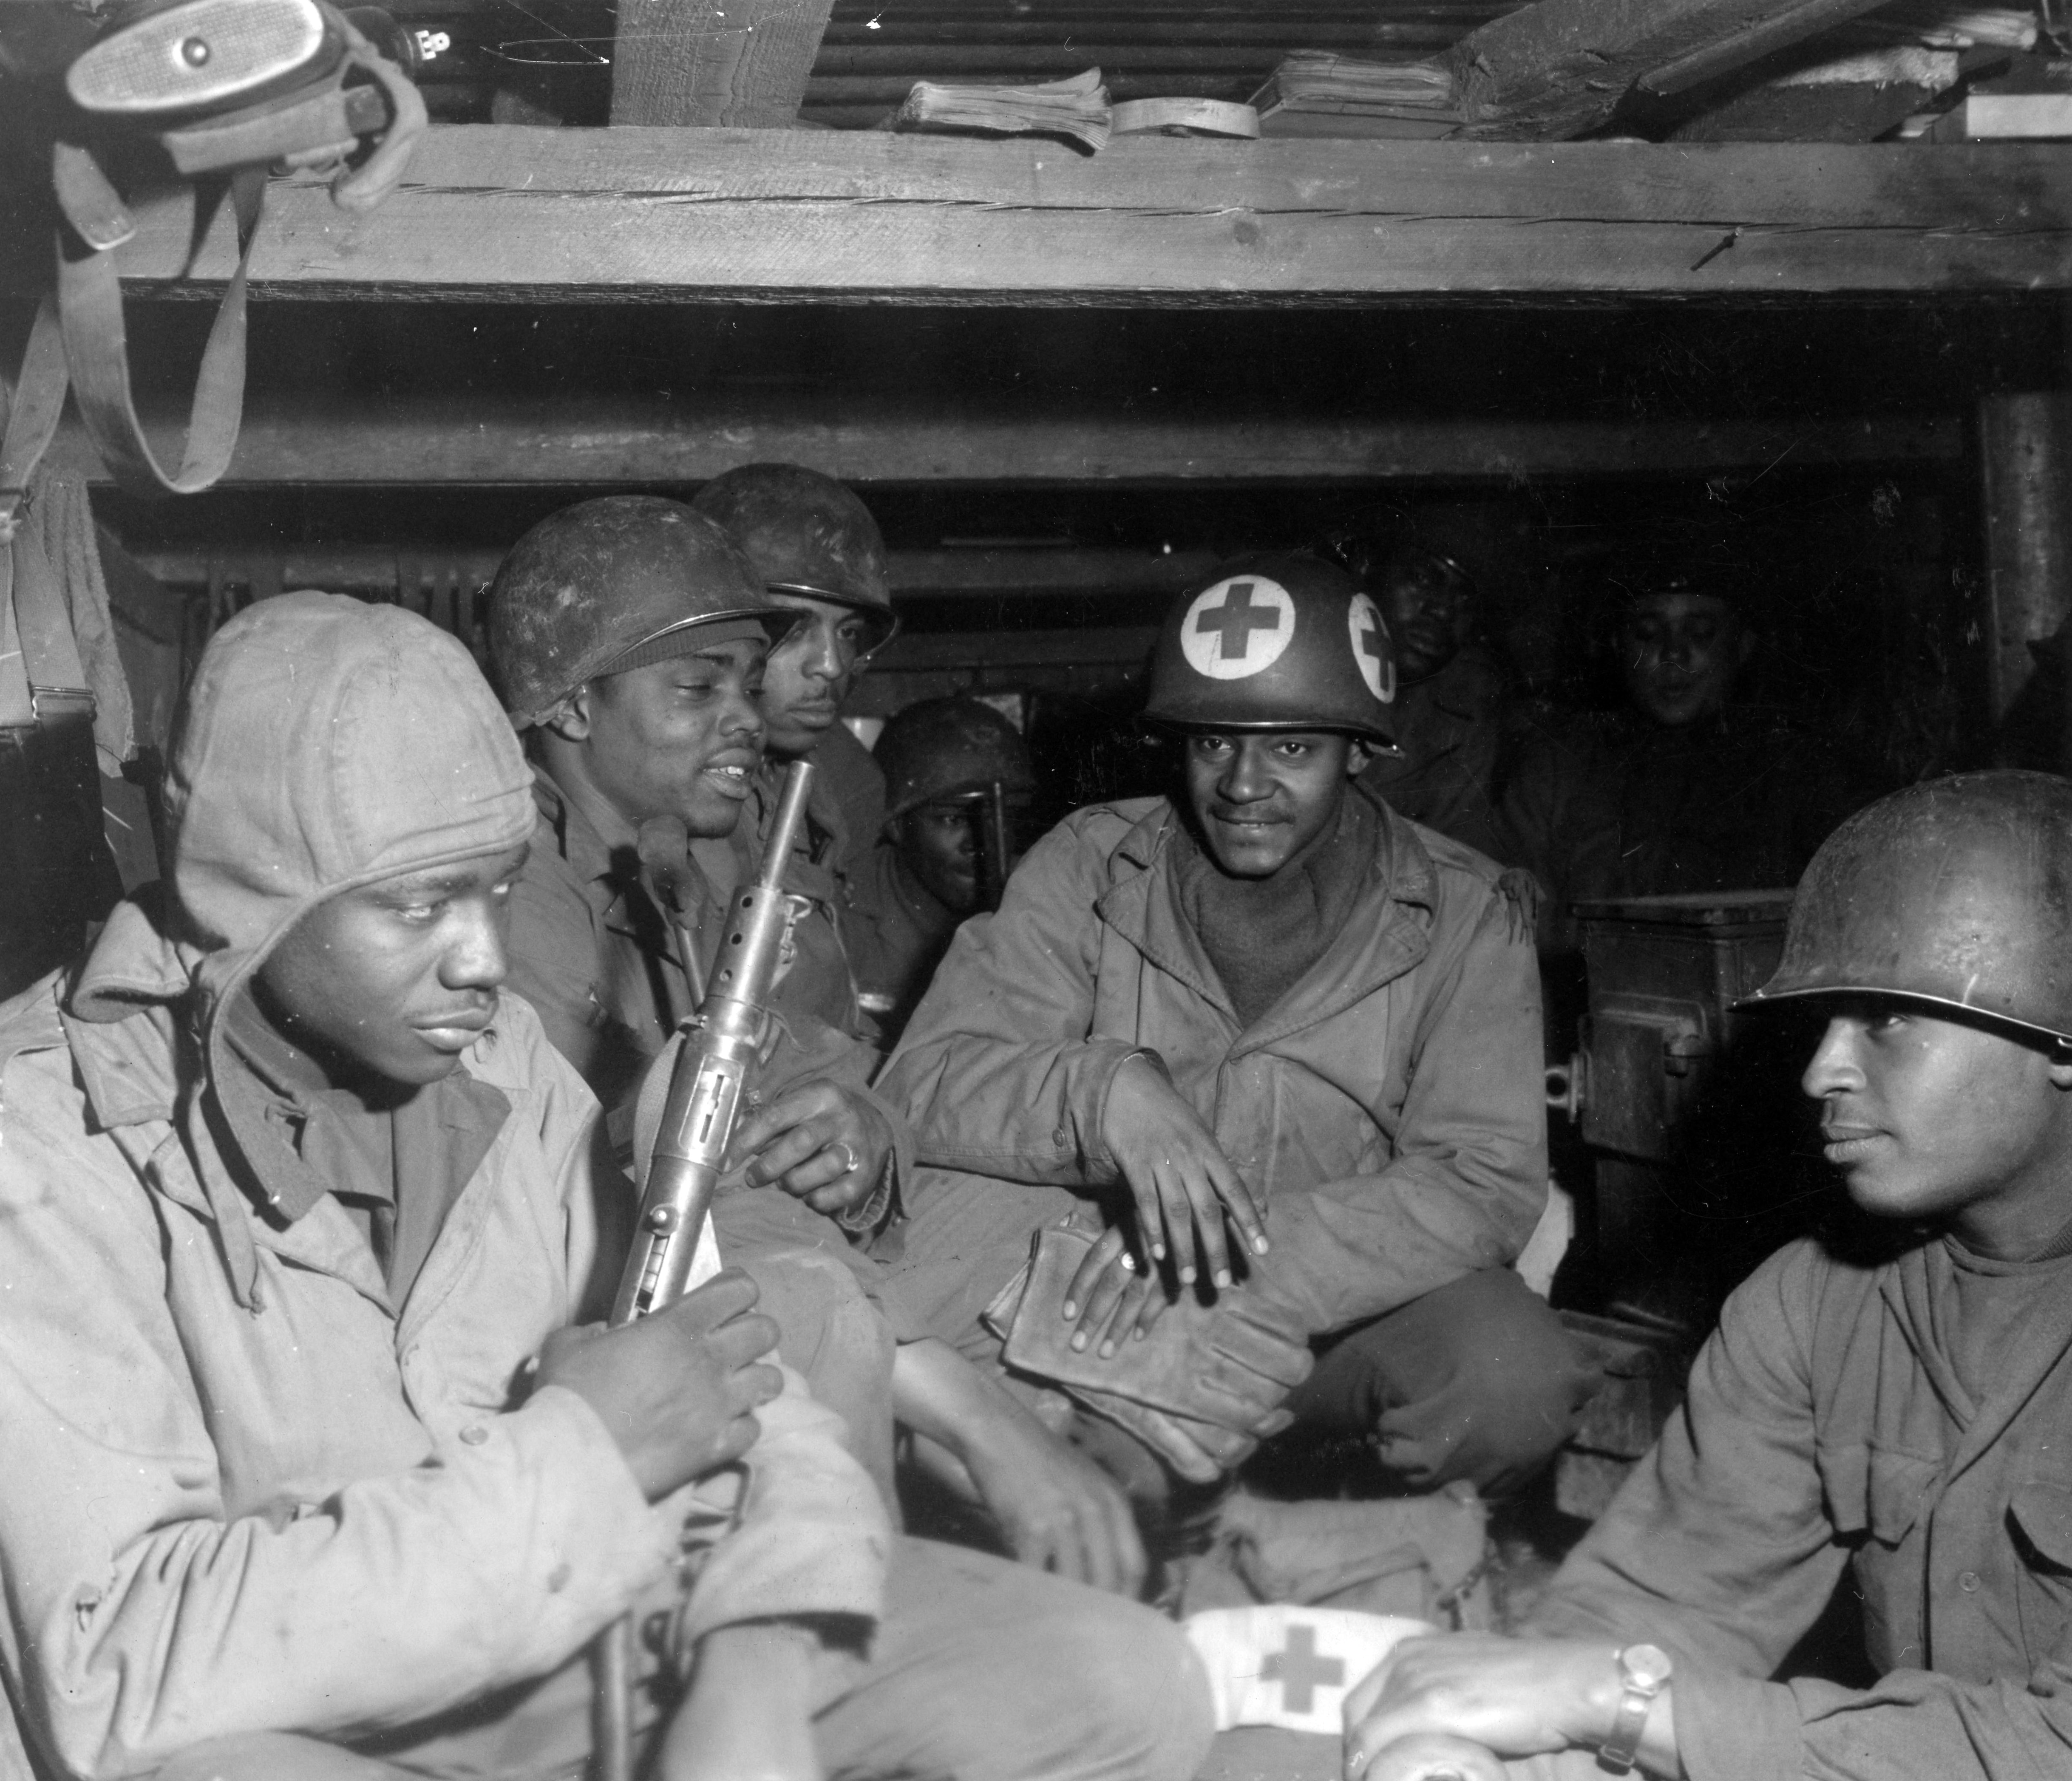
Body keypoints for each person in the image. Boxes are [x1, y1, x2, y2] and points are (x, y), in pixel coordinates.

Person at [0, 591, 1215, 1781]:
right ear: (254, 893)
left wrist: (754, 1656)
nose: (482, 958)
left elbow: (743, 1371)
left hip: (592, 1629)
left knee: (1124, 1682)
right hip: (327, 1714)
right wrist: (583, 1451)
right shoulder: (38, 1143)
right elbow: (121, 1659)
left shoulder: (500, 1062)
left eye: (498, 889)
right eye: (421, 905)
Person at [1343, 770, 2072, 1781]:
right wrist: (1489, 1750)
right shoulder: (1816, 1301)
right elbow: (1658, 1605)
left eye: (1883, 1020)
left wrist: (1615, 1703)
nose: (1820, 1070)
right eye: (1825, 1021)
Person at [493, 497, 1151, 1597]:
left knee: (1058, 1234)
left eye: (746, 684)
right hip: (631, 1276)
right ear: (568, 704)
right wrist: (970, 1409)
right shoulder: (511, 889)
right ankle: (881, 1584)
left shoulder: (715, 849)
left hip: (774, 1227)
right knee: (824, 1304)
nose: (744, 719)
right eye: (697, 689)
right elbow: (648, 1182)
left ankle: (1112, 1504)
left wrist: (862, 1131)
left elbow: (826, 1051)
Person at [879, 557, 1595, 1505]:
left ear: (1359, 751)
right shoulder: (1088, 865)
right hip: (1116, 1288)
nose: (1242, 785)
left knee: (1510, 1379)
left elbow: (1482, 1176)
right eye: (1213, 743)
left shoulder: (1465, 910)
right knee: (1103, 1488)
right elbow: (923, 1080)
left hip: (1345, 1299)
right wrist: (1104, 1094)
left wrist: (1249, 1260)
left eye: (1291, 748)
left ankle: (1369, 1538)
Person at [1505, 574, 1862, 912]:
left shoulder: (1802, 770)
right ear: (1617, 644)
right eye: (1647, 633)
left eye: (1700, 632)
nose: (1673, 653)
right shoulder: (1557, 767)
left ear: (1742, 645)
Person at [693, 462, 896, 997]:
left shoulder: (843, 781)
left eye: (848, 633)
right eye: (796, 627)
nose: (830, 665)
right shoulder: (673, 783)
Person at [851, 695, 1036, 1038]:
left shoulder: (1040, 903)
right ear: (896, 824)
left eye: (1003, 817)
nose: (984, 841)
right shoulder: (844, 909)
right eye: (953, 819)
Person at [1358, 548, 1525, 869]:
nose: (1443, 610)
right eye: (1422, 578)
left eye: (1465, 598)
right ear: (1366, 568)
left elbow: (1456, 865)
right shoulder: (1291, 672)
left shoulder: (1466, 718)